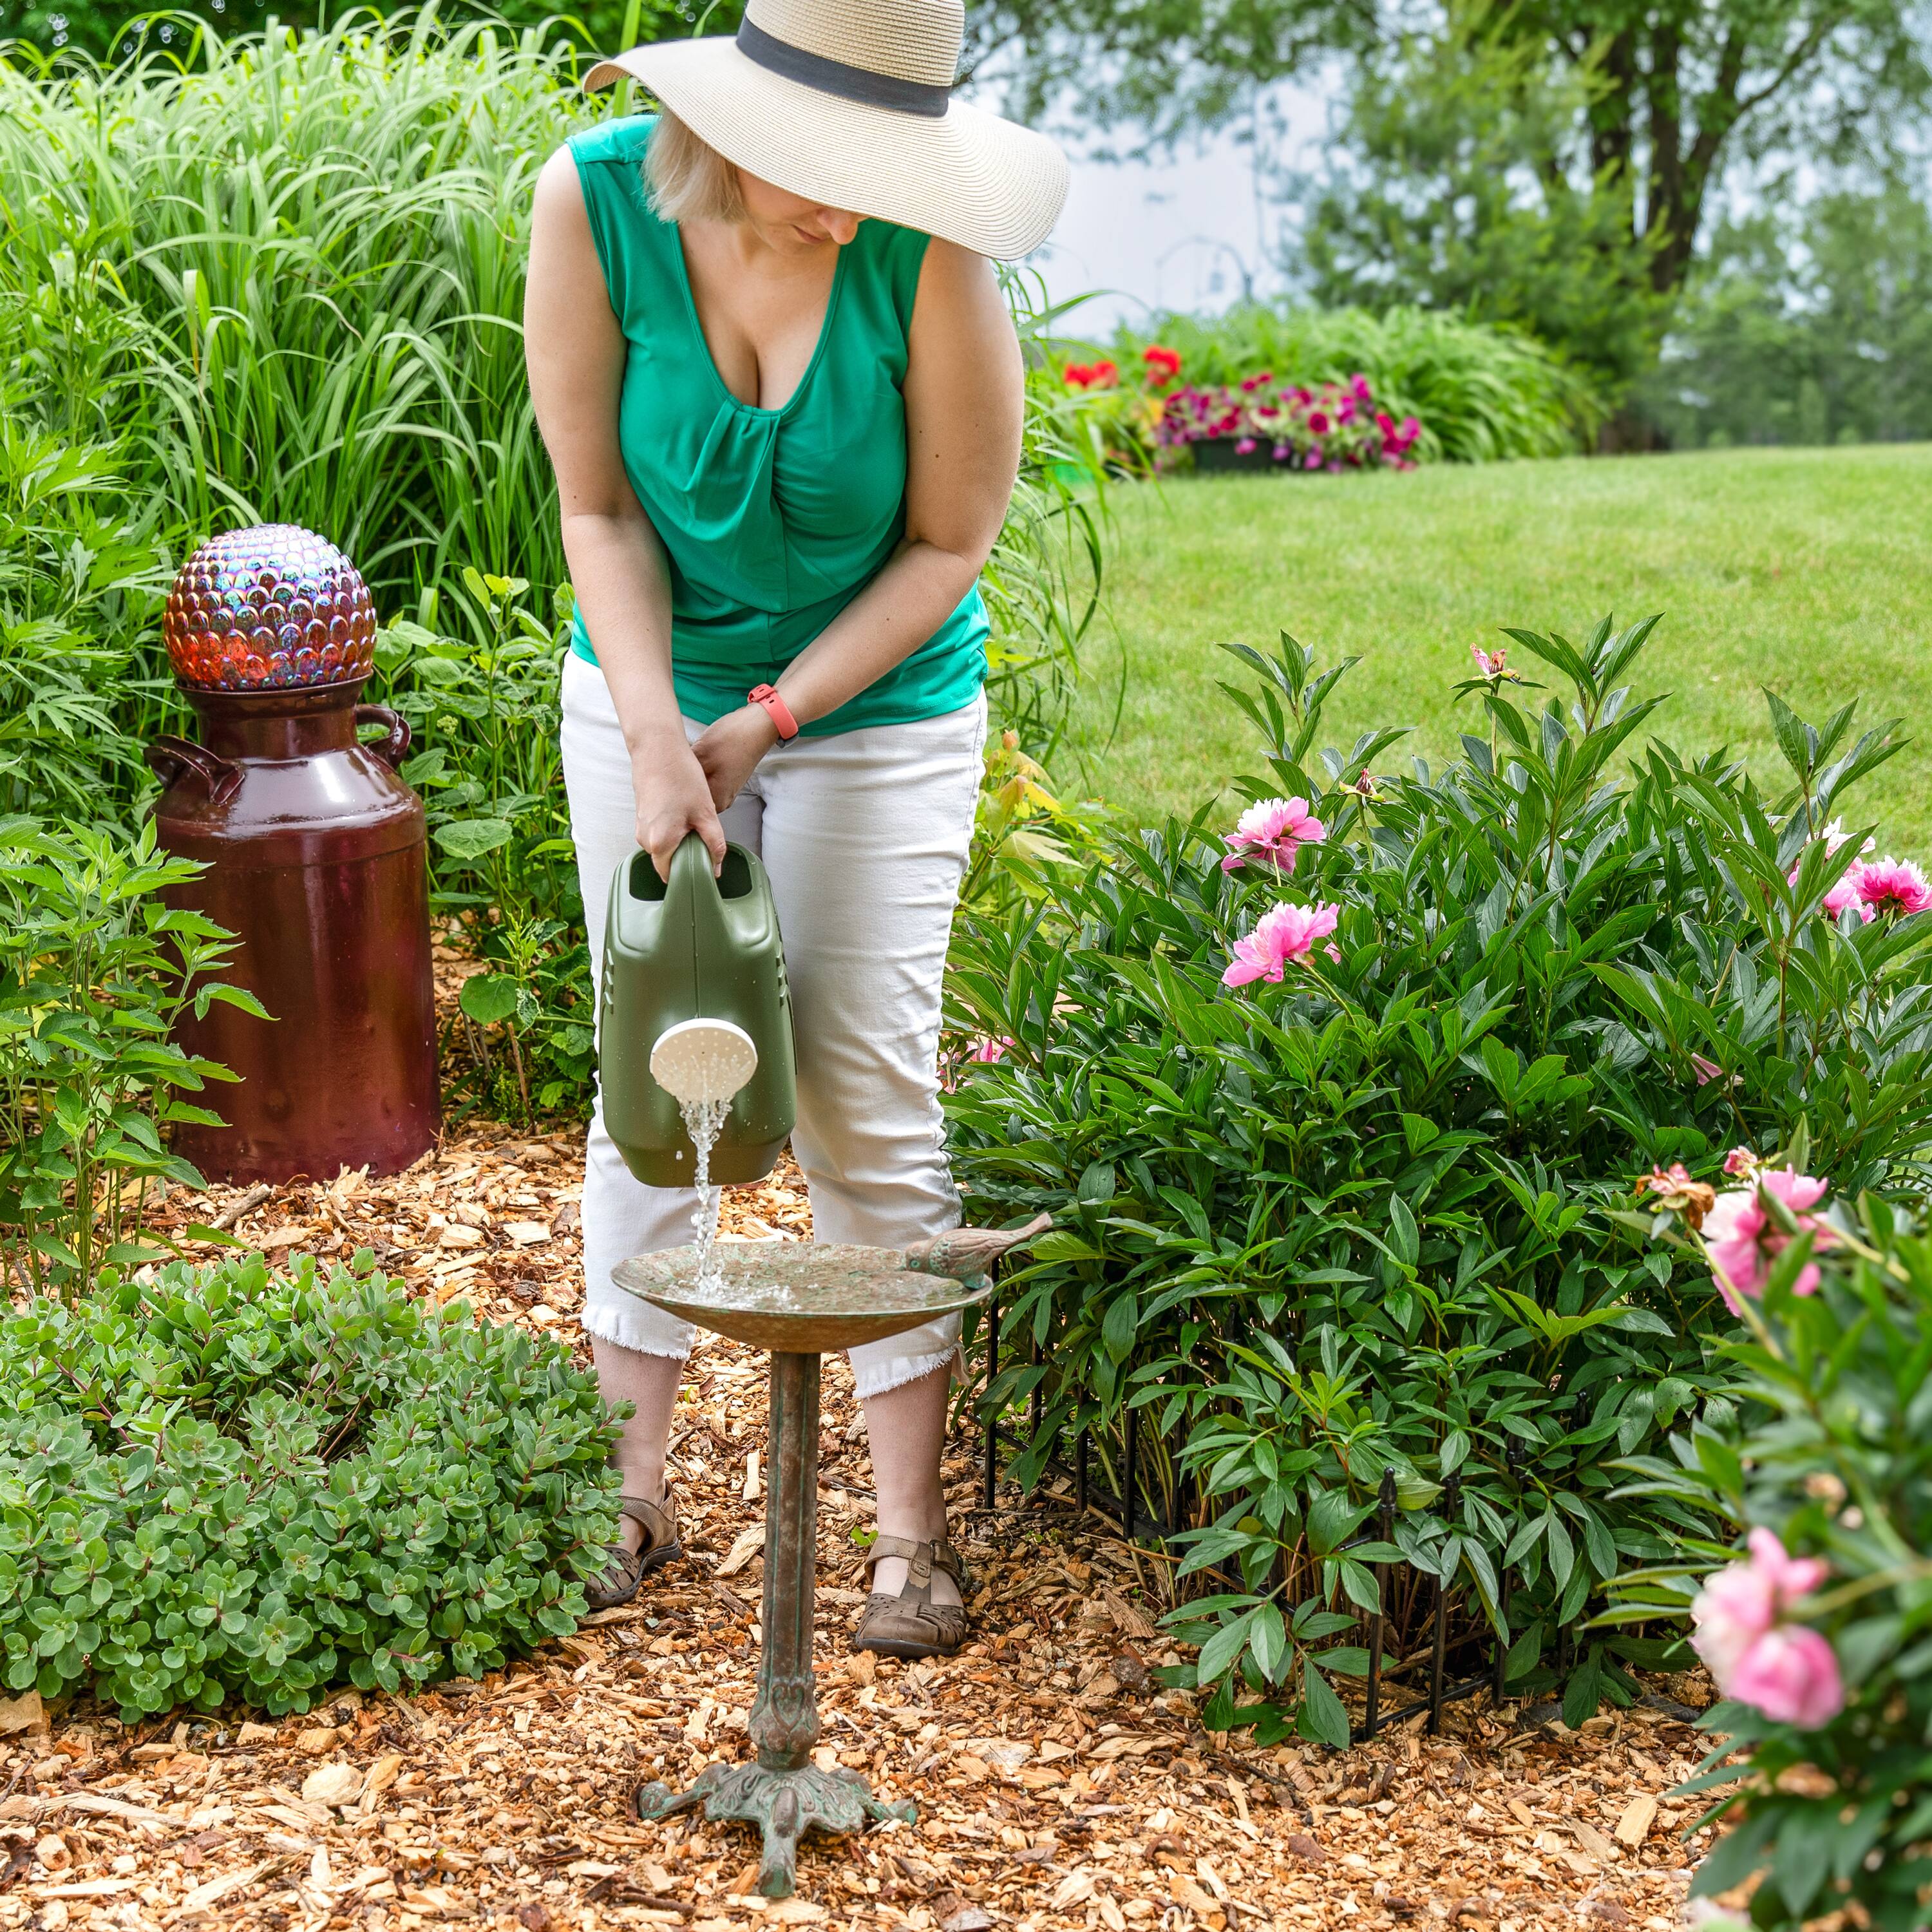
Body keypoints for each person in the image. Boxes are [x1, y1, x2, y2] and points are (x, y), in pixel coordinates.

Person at [523, 0, 1066, 1659]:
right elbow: (599, 506)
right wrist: (654, 730)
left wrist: (768, 720)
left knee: (857, 1082)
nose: (847, 204)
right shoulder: (596, 202)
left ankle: (907, 1538)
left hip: (875, 703)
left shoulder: (922, 248)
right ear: (729, 128)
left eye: (879, 169)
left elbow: (950, 543)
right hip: (644, 684)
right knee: (656, 1068)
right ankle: (626, 1493)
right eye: (820, 166)